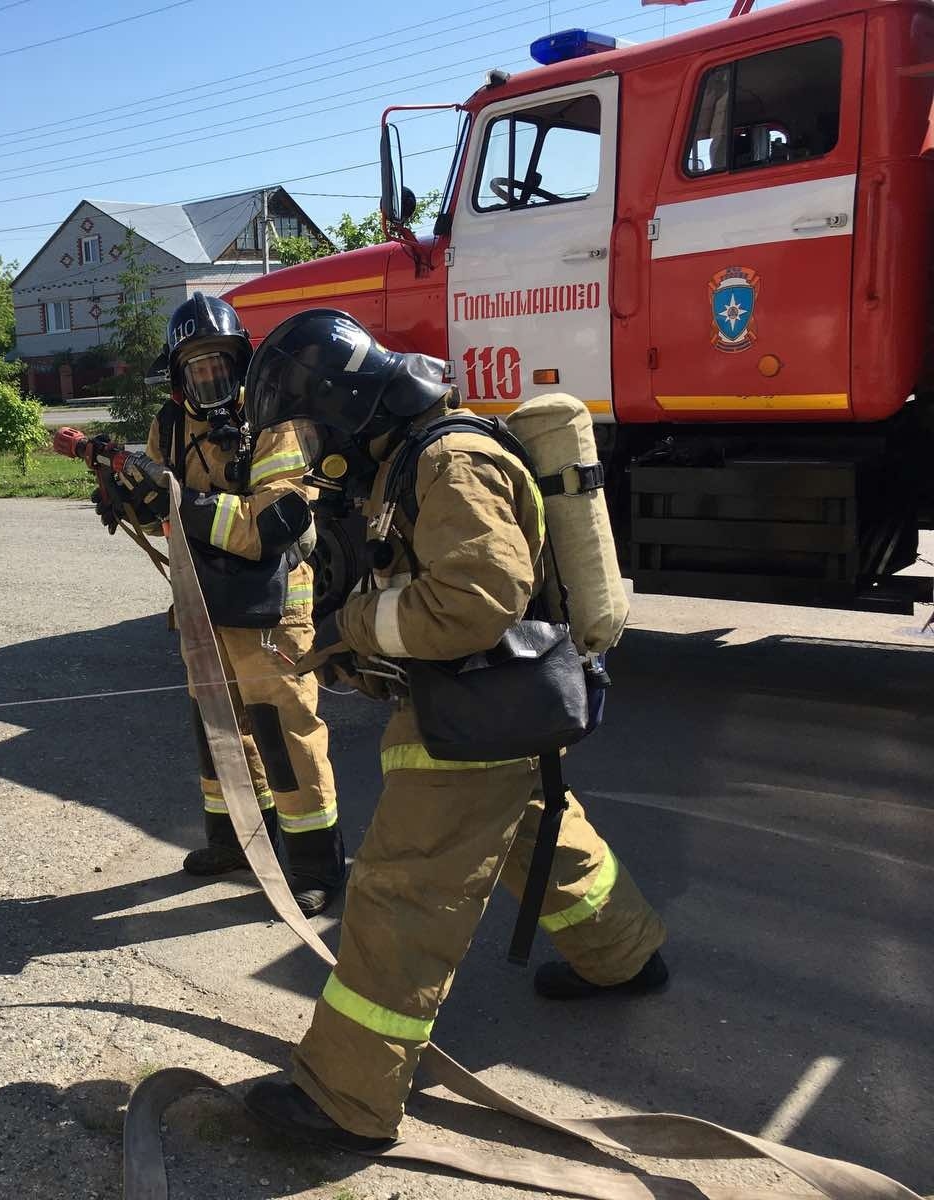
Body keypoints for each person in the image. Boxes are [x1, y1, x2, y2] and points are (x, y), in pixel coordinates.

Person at [236, 309, 669, 1150]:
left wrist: (355, 625)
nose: (319, 446)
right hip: (493, 705)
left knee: (404, 890)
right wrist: (347, 650)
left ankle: (346, 1101)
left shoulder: (448, 459)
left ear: (349, 404)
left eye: (316, 424)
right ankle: (624, 956)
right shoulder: (414, 457)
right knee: (538, 831)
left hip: (480, 712)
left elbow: (473, 603)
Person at [96, 292, 345, 915]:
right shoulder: (171, 426)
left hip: (273, 610)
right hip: (201, 602)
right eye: (196, 368)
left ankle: (316, 866)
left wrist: (178, 501)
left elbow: (271, 526)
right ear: (180, 377)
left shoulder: (276, 425)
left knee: (284, 733)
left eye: (219, 365)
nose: (209, 379)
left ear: (242, 366)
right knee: (219, 732)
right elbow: (158, 504)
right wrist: (125, 493)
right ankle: (234, 840)